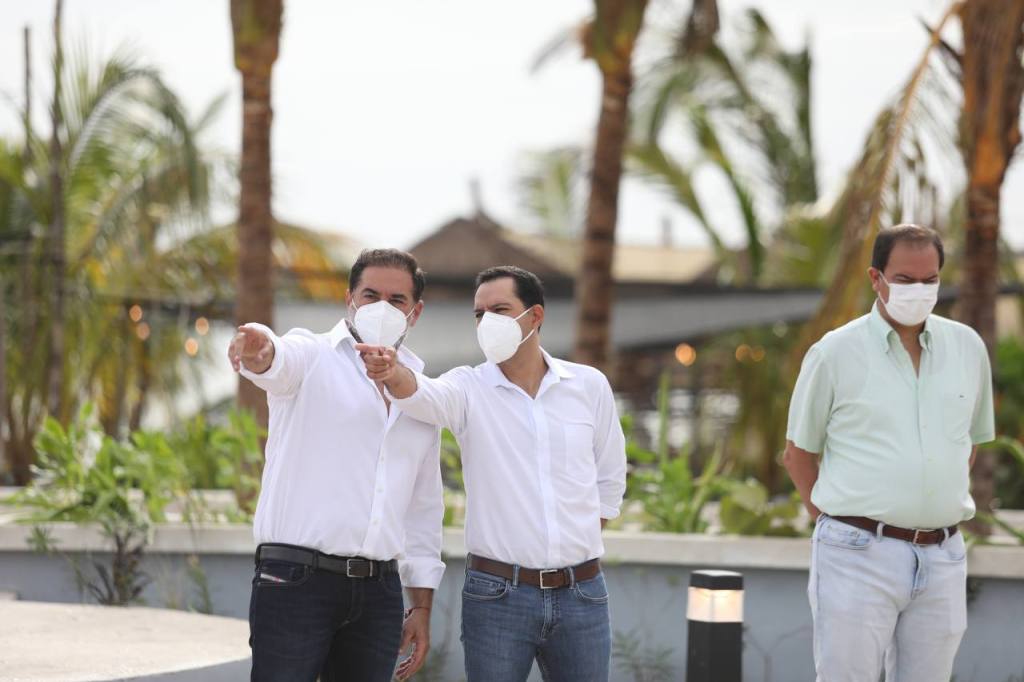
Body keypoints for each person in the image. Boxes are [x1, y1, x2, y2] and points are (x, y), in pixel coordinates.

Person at [356, 265, 627, 682]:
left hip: (583, 593)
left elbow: (609, 478)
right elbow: (421, 393)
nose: (487, 323)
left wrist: (573, 545)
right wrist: (392, 372)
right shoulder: (468, 387)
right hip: (497, 594)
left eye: (500, 310)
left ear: (535, 316)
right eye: (480, 314)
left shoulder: (588, 386)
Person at [783, 224, 996, 682]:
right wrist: (835, 525)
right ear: (875, 278)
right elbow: (798, 454)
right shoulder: (833, 353)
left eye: (929, 280)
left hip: (943, 556)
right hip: (856, 552)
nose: (919, 290)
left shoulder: (968, 348)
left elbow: (969, 443)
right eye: (904, 279)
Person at [228, 248, 445, 682]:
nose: (382, 308)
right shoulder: (312, 355)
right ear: (350, 299)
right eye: (371, 295)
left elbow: (423, 509)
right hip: (296, 580)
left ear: (415, 312)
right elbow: (277, 360)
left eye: (397, 300)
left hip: (379, 591)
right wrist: (260, 350)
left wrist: (421, 607)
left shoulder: (421, 394)